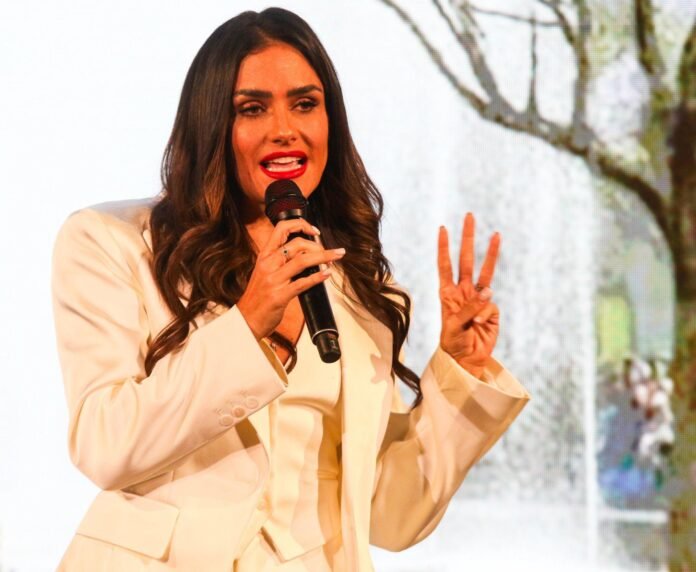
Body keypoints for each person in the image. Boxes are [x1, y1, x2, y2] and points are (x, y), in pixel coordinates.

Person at [51, 7, 530, 571]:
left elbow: (390, 514)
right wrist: (249, 321)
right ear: (210, 125)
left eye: (305, 104)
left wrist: (459, 370)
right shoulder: (113, 242)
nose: (284, 129)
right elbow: (105, 445)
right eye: (252, 108)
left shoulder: (356, 282)